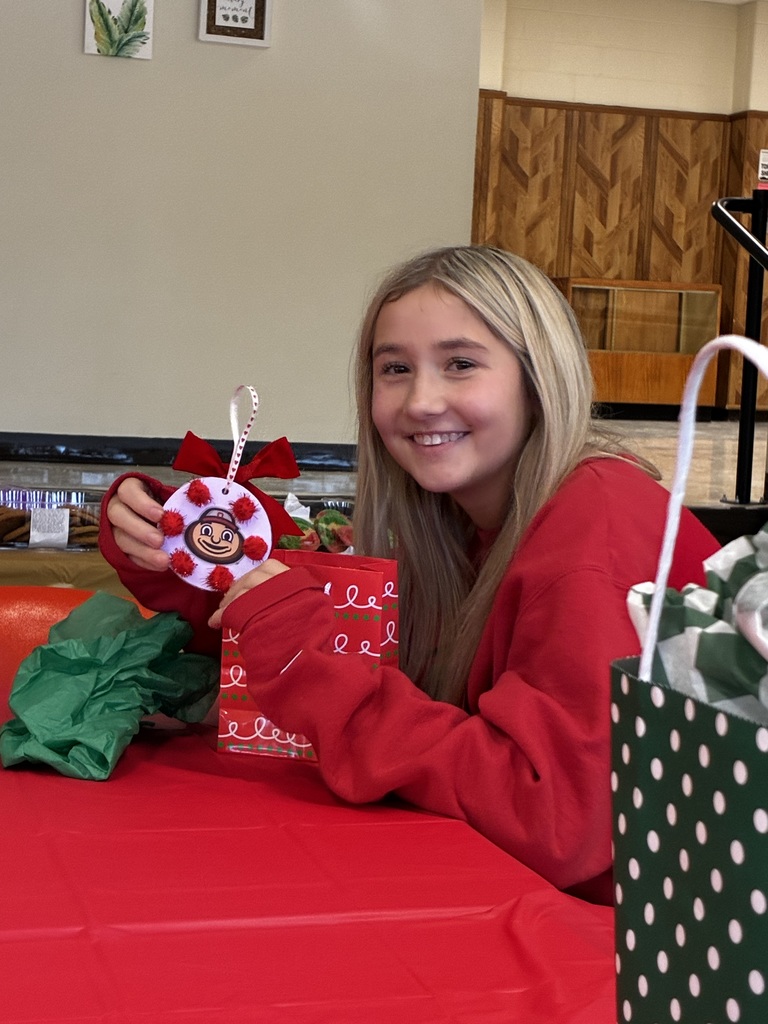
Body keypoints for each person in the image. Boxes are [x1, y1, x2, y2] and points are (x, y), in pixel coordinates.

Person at [100, 245, 719, 904]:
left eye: (461, 364)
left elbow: (558, 821)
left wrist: (301, 659)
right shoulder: (452, 524)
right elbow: (335, 659)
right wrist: (186, 556)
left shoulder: (595, 520)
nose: (421, 401)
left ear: (538, 380)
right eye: (395, 369)